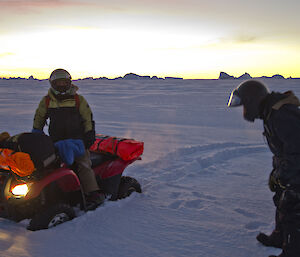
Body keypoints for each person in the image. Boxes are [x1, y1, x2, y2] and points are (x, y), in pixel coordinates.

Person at [227, 80, 300, 257]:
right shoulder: (272, 113)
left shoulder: (282, 115)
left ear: (253, 101)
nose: (244, 110)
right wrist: (277, 174)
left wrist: (286, 176)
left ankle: (292, 252)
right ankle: (280, 236)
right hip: (291, 167)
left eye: (245, 105)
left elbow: (296, 151)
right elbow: (283, 150)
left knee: (293, 209)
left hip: (297, 168)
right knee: (280, 198)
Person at [33, 68, 104, 210]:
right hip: (55, 140)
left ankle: (92, 193)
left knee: (83, 163)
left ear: (68, 83)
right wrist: (36, 133)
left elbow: (87, 118)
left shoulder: (78, 99)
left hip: (77, 140)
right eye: (57, 82)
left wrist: (89, 134)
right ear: (52, 83)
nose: (60, 85)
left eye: (63, 82)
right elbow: (39, 118)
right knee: (47, 166)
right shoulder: (47, 101)